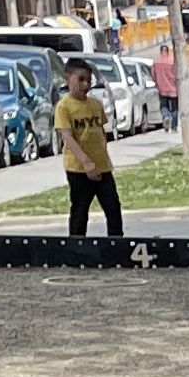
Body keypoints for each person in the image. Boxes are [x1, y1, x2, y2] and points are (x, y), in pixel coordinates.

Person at [53, 56, 123, 242]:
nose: (85, 85)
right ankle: (77, 245)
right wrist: (85, 161)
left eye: (88, 80)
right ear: (67, 79)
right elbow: (68, 138)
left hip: (102, 165)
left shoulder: (95, 105)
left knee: (113, 207)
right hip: (78, 167)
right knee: (80, 209)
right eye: (81, 80)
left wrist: (100, 159)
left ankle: (116, 244)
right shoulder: (64, 107)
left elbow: (101, 133)